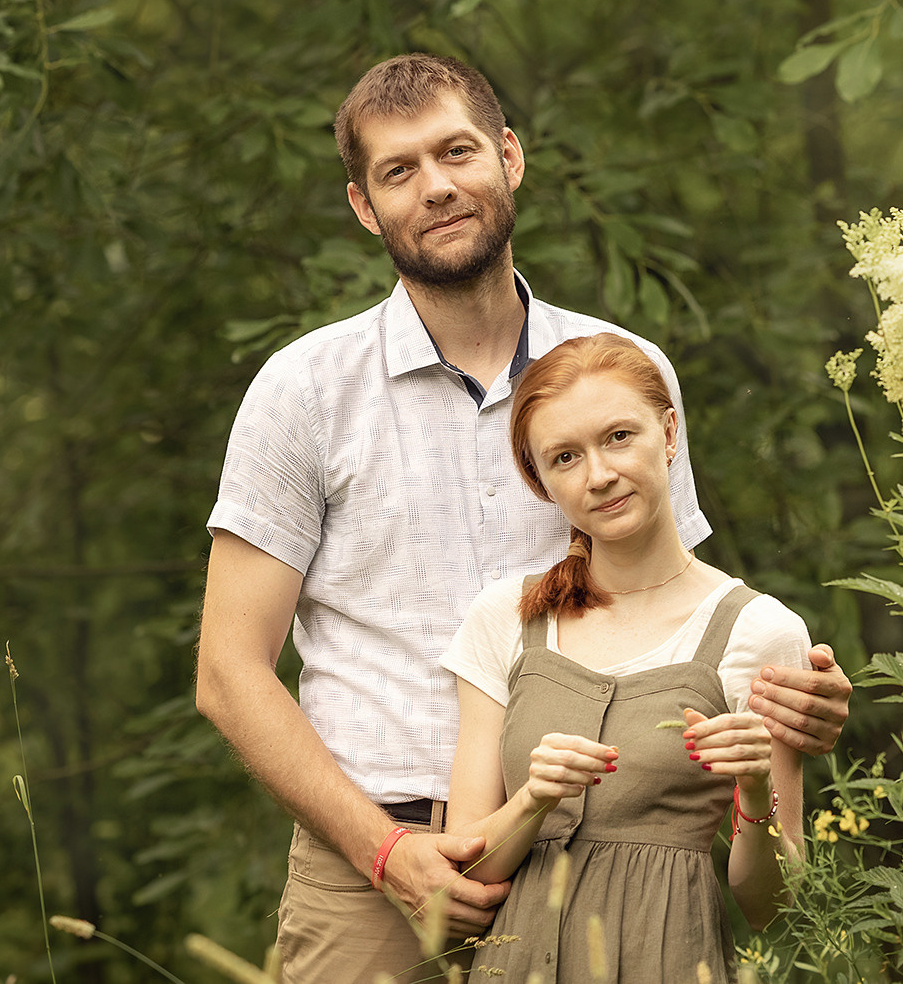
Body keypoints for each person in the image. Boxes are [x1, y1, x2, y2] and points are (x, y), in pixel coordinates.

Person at [194, 53, 852, 984]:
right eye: (398, 170)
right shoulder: (303, 393)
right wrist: (385, 852)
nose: (436, 186)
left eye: (456, 150)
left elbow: (682, 612)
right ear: (362, 205)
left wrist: (786, 700)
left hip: (608, 854)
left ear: (509, 155)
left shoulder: (617, 376)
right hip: (372, 861)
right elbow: (228, 671)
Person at [440, 334, 808, 983]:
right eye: (565, 457)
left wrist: (754, 790)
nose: (599, 474)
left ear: (669, 433)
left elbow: (774, 908)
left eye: (618, 436)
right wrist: (532, 799)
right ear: (542, 480)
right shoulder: (506, 617)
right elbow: (463, 875)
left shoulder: (760, 631)